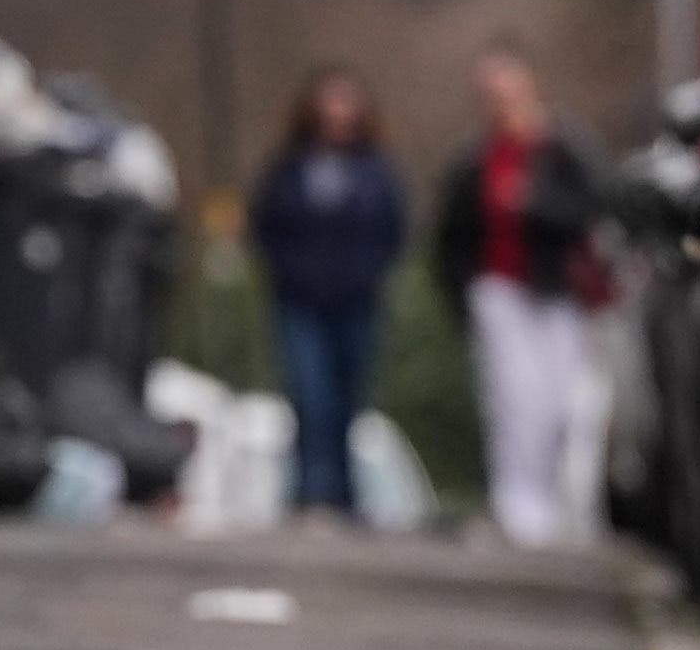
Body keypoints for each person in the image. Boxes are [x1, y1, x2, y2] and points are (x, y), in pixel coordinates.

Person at [434, 45, 613, 546]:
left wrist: (529, 203)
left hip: (558, 293)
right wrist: (462, 297)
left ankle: (562, 504)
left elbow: (591, 213)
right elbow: (451, 237)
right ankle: (519, 507)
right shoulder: (473, 161)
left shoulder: (565, 150)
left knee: (562, 404)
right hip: (498, 291)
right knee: (514, 401)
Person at [241, 69, 406, 520]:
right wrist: (289, 273)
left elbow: (393, 231)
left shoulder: (375, 171)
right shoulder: (288, 170)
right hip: (299, 302)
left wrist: (366, 274)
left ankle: (345, 494)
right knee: (309, 394)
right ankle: (311, 492)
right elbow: (264, 228)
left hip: (357, 302)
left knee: (350, 398)